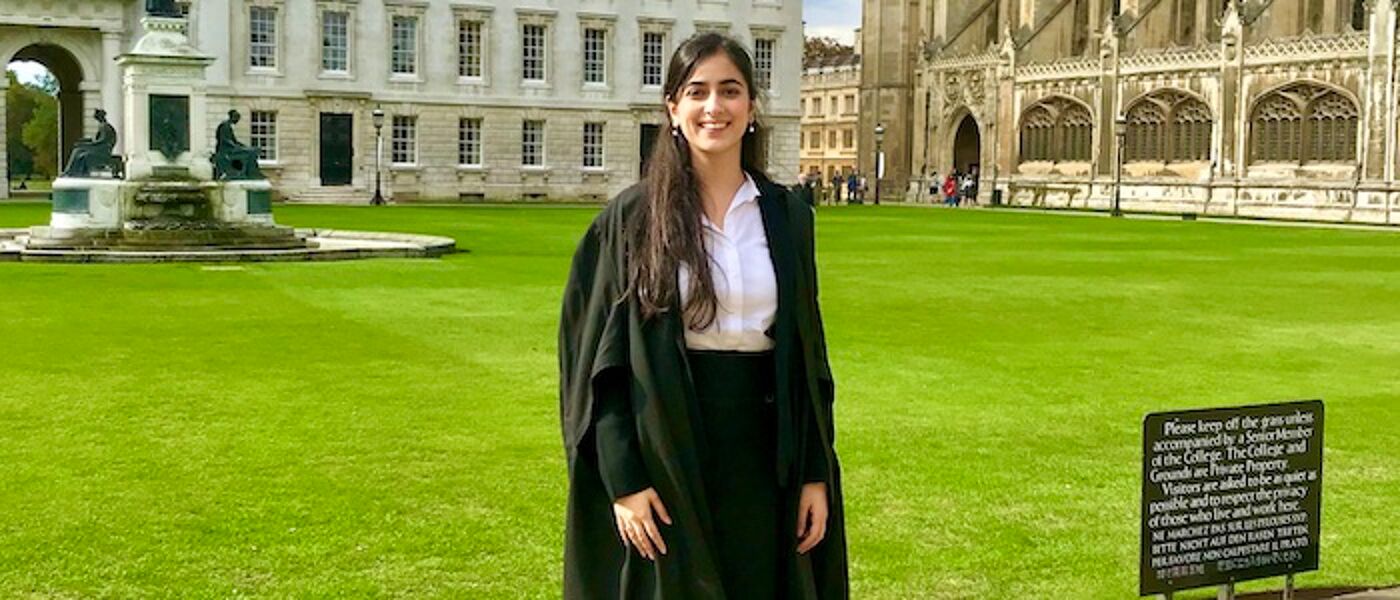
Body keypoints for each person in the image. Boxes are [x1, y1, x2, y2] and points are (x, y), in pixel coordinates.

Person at [559, 33, 848, 599]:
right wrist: (624, 479)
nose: (714, 106)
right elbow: (597, 360)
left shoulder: (788, 217)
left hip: (767, 453)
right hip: (667, 441)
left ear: (752, 107)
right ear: (673, 108)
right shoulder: (634, 218)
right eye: (697, 92)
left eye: (730, 91)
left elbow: (808, 355)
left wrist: (814, 471)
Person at [61, 109, 118, 178]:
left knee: (78, 151)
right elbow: (98, 140)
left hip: (102, 150)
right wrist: (86, 142)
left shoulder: (105, 127)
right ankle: (72, 171)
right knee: (78, 150)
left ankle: (72, 171)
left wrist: (87, 144)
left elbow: (101, 141)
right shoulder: (103, 126)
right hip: (100, 148)